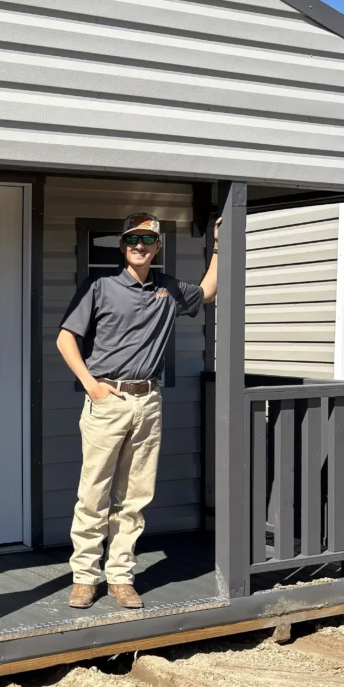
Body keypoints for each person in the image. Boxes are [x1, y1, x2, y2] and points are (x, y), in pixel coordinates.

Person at [56, 212, 220, 610]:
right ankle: (84, 577)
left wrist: (219, 245)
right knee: (93, 492)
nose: (140, 247)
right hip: (107, 402)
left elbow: (208, 292)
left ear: (157, 247)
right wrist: (93, 386)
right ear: (122, 245)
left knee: (135, 496)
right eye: (133, 240)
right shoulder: (101, 286)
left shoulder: (168, 289)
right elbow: (65, 339)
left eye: (147, 240)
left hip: (148, 401)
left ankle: (120, 576)